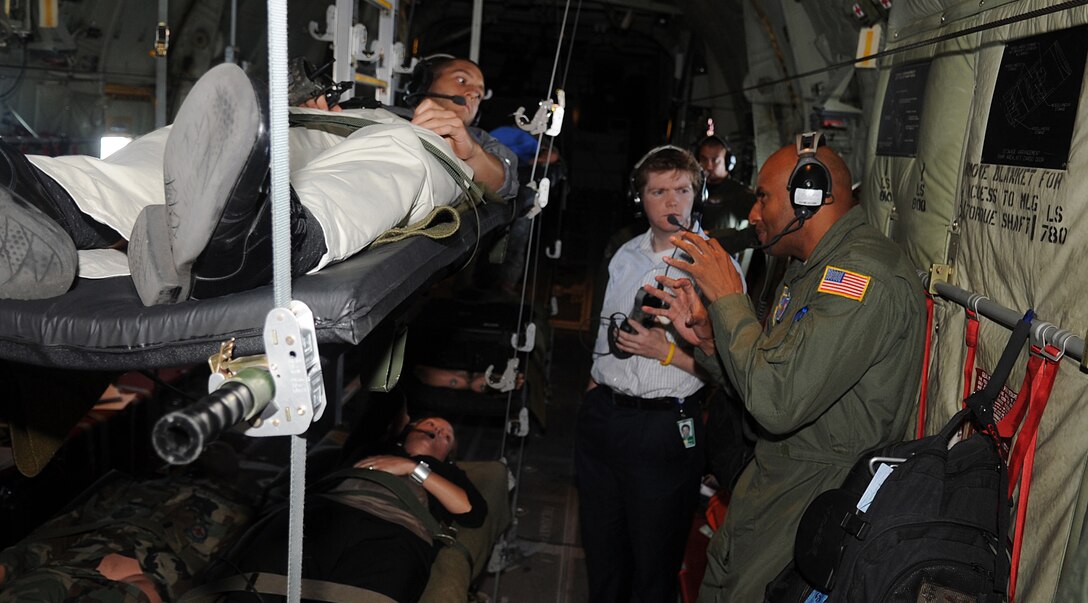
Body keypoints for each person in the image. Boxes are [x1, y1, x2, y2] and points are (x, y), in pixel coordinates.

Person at [642, 133, 926, 602]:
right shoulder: (808, 268)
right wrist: (713, 343)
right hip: (775, 483)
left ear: (809, 195)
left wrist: (729, 298)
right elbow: (764, 373)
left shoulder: (860, 278)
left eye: (763, 197)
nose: (754, 214)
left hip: (810, 495)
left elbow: (776, 400)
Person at [0, 56, 517, 304]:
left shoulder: (479, 140)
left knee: (406, 147)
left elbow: (504, 185)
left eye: (480, 87)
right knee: (181, 141)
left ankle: (261, 245)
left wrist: (466, 147)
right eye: (463, 78)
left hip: (426, 155)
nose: (473, 90)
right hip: (327, 132)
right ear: (430, 80)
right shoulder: (370, 105)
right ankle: (47, 195)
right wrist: (308, 111)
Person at [575, 146, 742, 603]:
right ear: (641, 199)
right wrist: (593, 391)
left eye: (682, 190)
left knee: (654, 564)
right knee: (603, 554)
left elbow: (734, 371)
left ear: (698, 195)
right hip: (603, 418)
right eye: (658, 191)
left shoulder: (718, 270)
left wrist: (664, 351)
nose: (671, 202)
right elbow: (607, 331)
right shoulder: (625, 255)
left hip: (664, 429)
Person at [213, 416, 486, 603]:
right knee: (251, 590)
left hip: (396, 533)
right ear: (407, 430)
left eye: (447, 436)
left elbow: (471, 512)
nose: (438, 431)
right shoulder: (372, 446)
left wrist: (413, 468)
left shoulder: (450, 473)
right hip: (324, 516)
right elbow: (385, 407)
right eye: (430, 424)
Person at [694, 135, 755, 236]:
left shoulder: (741, 194)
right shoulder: (693, 191)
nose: (709, 166)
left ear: (728, 162)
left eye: (715, 160)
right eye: (704, 159)